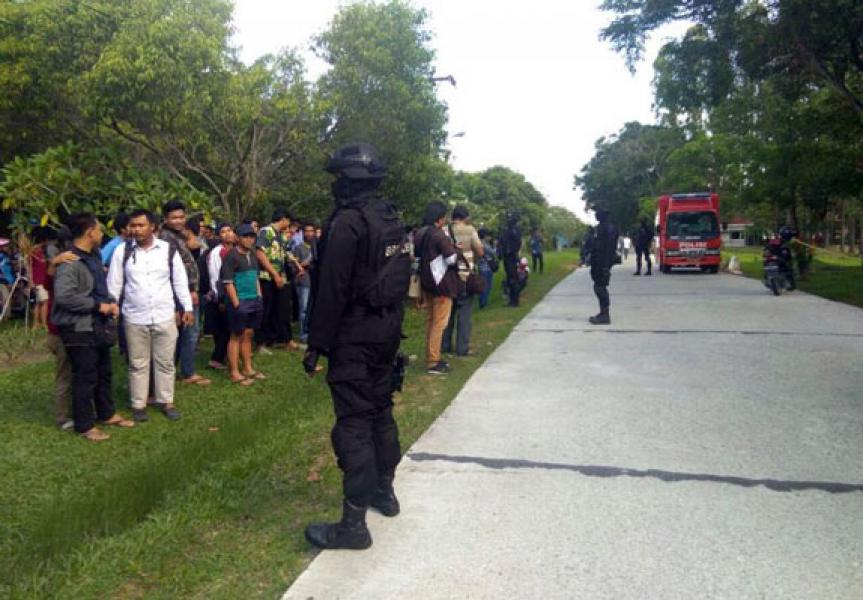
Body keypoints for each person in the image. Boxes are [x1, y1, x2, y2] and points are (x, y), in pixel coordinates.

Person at [303, 142, 412, 550]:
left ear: (349, 180)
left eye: (337, 178)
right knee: (381, 411)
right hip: (387, 330)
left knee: (354, 422)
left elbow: (331, 289)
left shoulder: (347, 223)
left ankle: (353, 525)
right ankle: (385, 491)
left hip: (355, 335)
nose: (334, 185)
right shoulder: (389, 217)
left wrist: (317, 343)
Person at [52, 213, 134, 441]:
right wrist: (99, 306)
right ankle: (85, 424)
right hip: (78, 327)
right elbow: (65, 297)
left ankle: (106, 413)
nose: (101, 234)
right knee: (85, 376)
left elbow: (99, 287)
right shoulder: (70, 261)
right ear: (90, 232)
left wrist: (110, 302)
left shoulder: (94, 256)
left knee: (103, 372)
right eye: (98, 229)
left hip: (97, 325)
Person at [107, 208, 193, 422]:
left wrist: (187, 307)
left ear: (152, 227)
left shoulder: (167, 249)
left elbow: (179, 280)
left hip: (164, 314)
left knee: (165, 362)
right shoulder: (122, 251)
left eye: (141, 225)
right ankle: (139, 404)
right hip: (134, 316)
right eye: (133, 226)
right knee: (138, 363)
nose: (136, 229)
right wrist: (112, 305)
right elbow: (115, 282)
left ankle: (166, 401)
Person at [158, 201, 210, 386]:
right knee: (188, 332)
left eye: (181, 217)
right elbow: (173, 269)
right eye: (174, 217)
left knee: (185, 332)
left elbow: (196, 246)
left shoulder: (179, 234)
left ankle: (178, 370)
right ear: (165, 219)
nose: (179, 220)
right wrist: (189, 290)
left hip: (188, 290)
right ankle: (185, 372)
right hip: (180, 292)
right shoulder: (165, 238)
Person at [45, 226, 81, 431]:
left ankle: (78, 410)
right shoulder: (60, 264)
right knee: (65, 374)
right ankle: (63, 417)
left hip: (70, 328)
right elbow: (49, 284)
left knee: (77, 372)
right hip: (59, 330)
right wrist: (54, 263)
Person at [416, 201, 459, 374]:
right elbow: (451, 259)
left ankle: (431, 356)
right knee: (439, 323)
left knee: (431, 321)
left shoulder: (420, 233)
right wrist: (456, 250)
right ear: (439, 219)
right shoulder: (439, 235)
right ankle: (433, 361)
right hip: (441, 283)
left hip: (427, 281)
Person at [221, 224, 265, 385]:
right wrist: (236, 303)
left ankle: (248, 368)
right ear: (238, 238)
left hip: (254, 300)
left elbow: (256, 277)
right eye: (245, 236)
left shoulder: (253, 254)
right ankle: (234, 371)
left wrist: (259, 296)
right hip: (240, 301)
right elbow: (228, 282)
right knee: (235, 336)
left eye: (252, 236)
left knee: (248, 334)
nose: (249, 239)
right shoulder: (231, 256)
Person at [255, 208, 301, 353]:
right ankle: (262, 342)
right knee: (266, 309)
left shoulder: (280, 235)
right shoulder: (266, 232)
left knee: (283, 308)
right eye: (288, 221)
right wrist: (274, 274)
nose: (289, 225)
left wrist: (297, 266)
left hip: (281, 277)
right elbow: (260, 253)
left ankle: (284, 339)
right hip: (267, 277)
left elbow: (286, 253)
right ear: (283, 219)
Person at [442, 205, 483, 356]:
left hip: (448, 277)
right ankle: (462, 348)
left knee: (447, 314)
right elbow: (480, 251)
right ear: (465, 217)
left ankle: (444, 346)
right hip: (465, 276)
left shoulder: (444, 230)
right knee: (464, 314)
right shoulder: (470, 230)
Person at [203, 223, 235, 370]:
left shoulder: (234, 250)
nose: (227, 233)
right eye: (223, 231)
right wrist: (221, 297)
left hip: (233, 292)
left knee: (229, 328)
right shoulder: (217, 253)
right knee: (223, 329)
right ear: (219, 235)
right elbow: (215, 276)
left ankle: (226, 356)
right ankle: (216, 359)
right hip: (221, 295)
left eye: (229, 230)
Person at [589, 209, 619, 325]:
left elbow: (610, 249)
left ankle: (605, 315)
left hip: (603, 262)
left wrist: (606, 265)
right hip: (597, 261)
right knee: (598, 286)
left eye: (598, 213)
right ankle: (602, 312)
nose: (596, 215)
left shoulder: (609, 228)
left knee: (600, 287)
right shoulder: (600, 227)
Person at [294, 222, 316, 343]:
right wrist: (305, 263)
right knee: (303, 309)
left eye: (311, 231)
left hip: (314, 282)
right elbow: (295, 265)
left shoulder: (317, 247)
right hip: (303, 282)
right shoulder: (298, 248)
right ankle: (303, 334)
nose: (309, 234)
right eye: (306, 231)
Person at [29, 227, 50, 329]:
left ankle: (37, 323)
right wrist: (31, 281)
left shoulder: (41, 252)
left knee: (39, 302)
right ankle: (43, 323)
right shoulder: (33, 252)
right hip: (38, 280)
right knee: (44, 301)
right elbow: (29, 267)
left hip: (42, 279)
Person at [500, 213, 523, 307]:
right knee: (510, 278)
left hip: (511, 256)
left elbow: (518, 243)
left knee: (513, 278)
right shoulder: (509, 230)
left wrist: (512, 251)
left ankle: (515, 301)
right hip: (508, 256)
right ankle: (512, 300)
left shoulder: (514, 231)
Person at [477, 228, 497, 309]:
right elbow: (493, 252)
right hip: (486, 267)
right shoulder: (484, 244)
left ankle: (483, 302)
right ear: (484, 236)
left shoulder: (478, 243)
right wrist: (495, 245)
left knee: (484, 285)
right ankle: (483, 303)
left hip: (482, 266)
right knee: (486, 285)